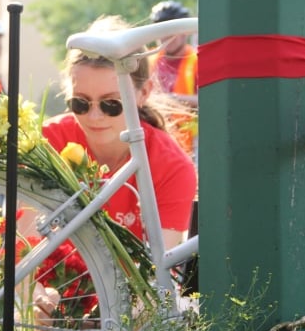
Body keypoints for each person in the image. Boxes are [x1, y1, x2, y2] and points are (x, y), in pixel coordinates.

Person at [43, 15, 198, 250]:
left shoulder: (172, 167)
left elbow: (155, 275)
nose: (95, 117)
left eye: (111, 104)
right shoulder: (48, 141)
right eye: (80, 103)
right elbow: (20, 246)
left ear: (143, 93)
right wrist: (31, 288)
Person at [148, 0, 199, 160]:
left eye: (172, 30)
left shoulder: (197, 61)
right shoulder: (148, 61)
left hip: (192, 147)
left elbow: (212, 99)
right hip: (155, 143)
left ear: (184, 32)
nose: (166, 37)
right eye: (161, 30)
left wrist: (174, 100)